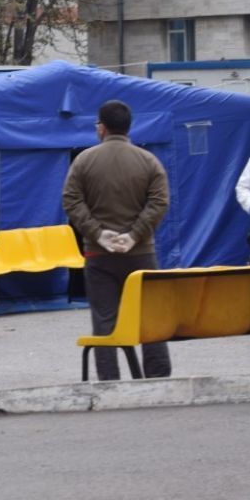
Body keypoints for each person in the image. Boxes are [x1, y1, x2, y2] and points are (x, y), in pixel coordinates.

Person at [62, 100, 171, 380]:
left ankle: (109, 381)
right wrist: (135, 234)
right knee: (150, 318)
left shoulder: (84, 161)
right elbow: (159, 202)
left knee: (104, 322)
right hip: (141, 253)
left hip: (99, 255)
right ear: (128, 127)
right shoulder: (148, 161)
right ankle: (158, 377)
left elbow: (71, 200)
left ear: (102, 127)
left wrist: (97, 233)